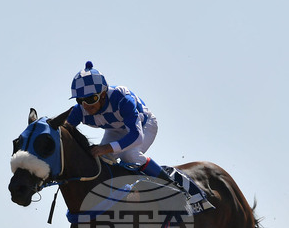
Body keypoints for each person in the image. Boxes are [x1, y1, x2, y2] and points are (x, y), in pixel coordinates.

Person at [67, 62, 211, 210]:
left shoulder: (121, 97)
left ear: (103, 94)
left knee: (129, 155)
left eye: (91, 99)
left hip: (143, 126)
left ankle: (173, 187)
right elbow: (63, 131)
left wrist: (107, 148)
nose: (86, 106)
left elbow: (136, 136)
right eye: (80, 100)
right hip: (115, 130)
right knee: (100, 160)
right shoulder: (80, 110)